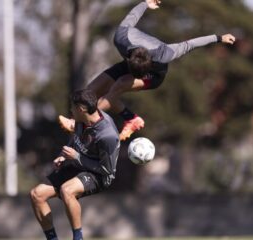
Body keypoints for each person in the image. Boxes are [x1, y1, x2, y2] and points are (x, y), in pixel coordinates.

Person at [59, 0, 236, 140]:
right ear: (128, 58)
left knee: (118, 86)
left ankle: (80, 124)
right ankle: (131, 118)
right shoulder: (121, 38)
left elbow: (190, 44)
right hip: (130, 65)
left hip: (154, 76)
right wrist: (145, 3)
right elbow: (132, 17)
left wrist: (219, 38)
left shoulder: (164, 54)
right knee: (89, 91)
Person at [30, 89, 120, 240]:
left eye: (72, 107)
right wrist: (63, 157)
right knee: (36, 195)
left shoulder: (107, 135)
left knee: (67, 190)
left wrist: (77, 157)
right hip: (77, 164)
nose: (70, 110)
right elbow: (75, 139)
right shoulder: (81, 119)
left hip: (99, 175)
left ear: (81, 109)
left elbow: (107, 170)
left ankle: (78, 238)